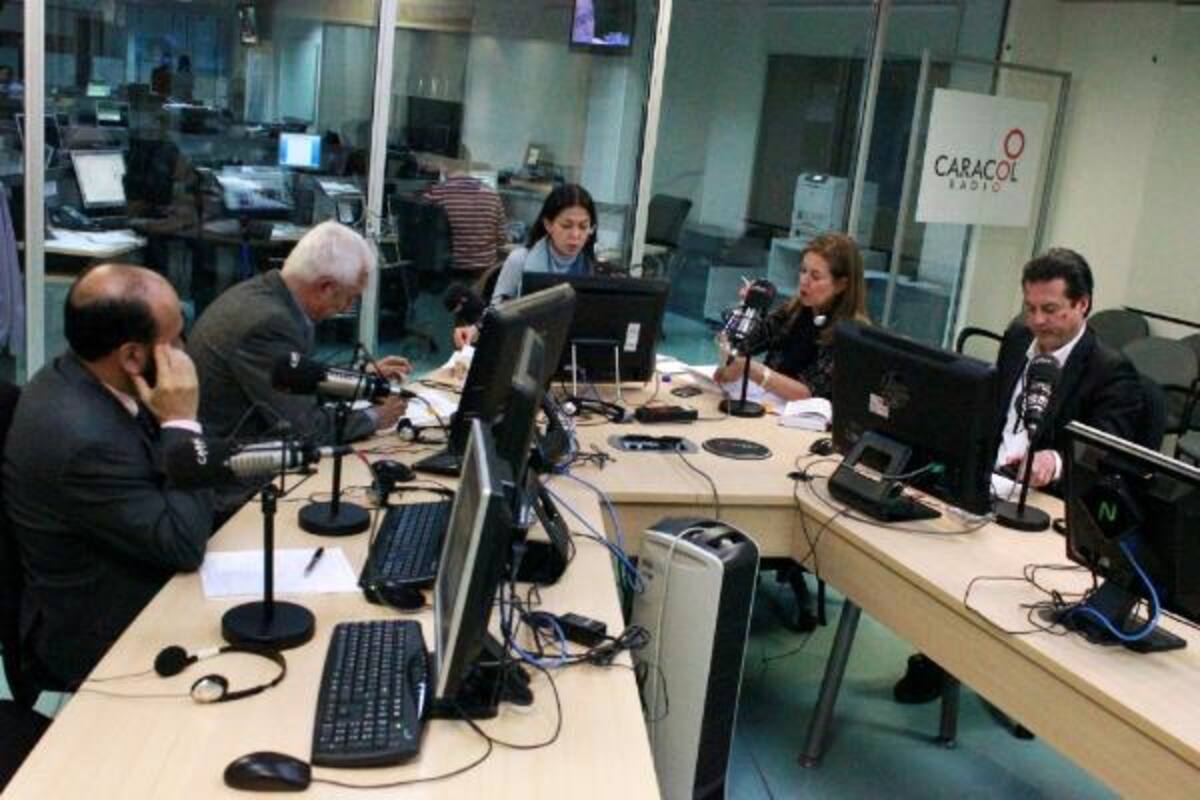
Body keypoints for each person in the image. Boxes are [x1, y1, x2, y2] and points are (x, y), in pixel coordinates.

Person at [893, 247, 1147, 711]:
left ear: (1082, 304)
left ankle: (960, 663)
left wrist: (1055, 460)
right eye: (1030, 308)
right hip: (985, 479)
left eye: (1050, 309)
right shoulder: (1016, 339)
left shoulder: (1110, 372)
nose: (1037, 321)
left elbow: (1108, 448)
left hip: (1043, 502)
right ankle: (940, 648)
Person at [3, 264, 215, 689]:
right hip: (99, 631)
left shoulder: (83, 373)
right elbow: (184, 545)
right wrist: (183, 423)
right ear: (132, 356)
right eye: (175, 340)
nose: (185, 352)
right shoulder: (83, 438)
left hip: (132, 565)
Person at [188, 222, 410, 511]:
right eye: (350, 297)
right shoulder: (267, 323)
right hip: (236, 484)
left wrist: (358, 379)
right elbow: (305, 429)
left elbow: (295, 379)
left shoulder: (267, 294)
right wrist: (374, 417)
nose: (347, 307)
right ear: (326, 287)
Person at [713, 232, 868, 402]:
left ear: (841, 285)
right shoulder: (794, 311)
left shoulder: (850, 334)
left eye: (815, 276)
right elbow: (742, 345)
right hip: (770, 405)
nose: (804, 281)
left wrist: (753, 370)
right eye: (803, 271)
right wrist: (748, 310)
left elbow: (809, 392)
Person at [453, 183, 598, 349]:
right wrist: (474, 331)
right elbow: (496, 315)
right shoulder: (520, 260)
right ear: (548, 224)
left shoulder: (594, 269)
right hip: (522, 350)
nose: (575, 235)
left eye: (583, 227)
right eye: (566, 226)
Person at [421, 148, 508, 275]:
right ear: (468, 165)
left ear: (443, 166)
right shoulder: (492, 195)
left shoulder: (434, 194)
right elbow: (502, 239)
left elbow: (422, 238)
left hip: (448, 274)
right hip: (483, 276)